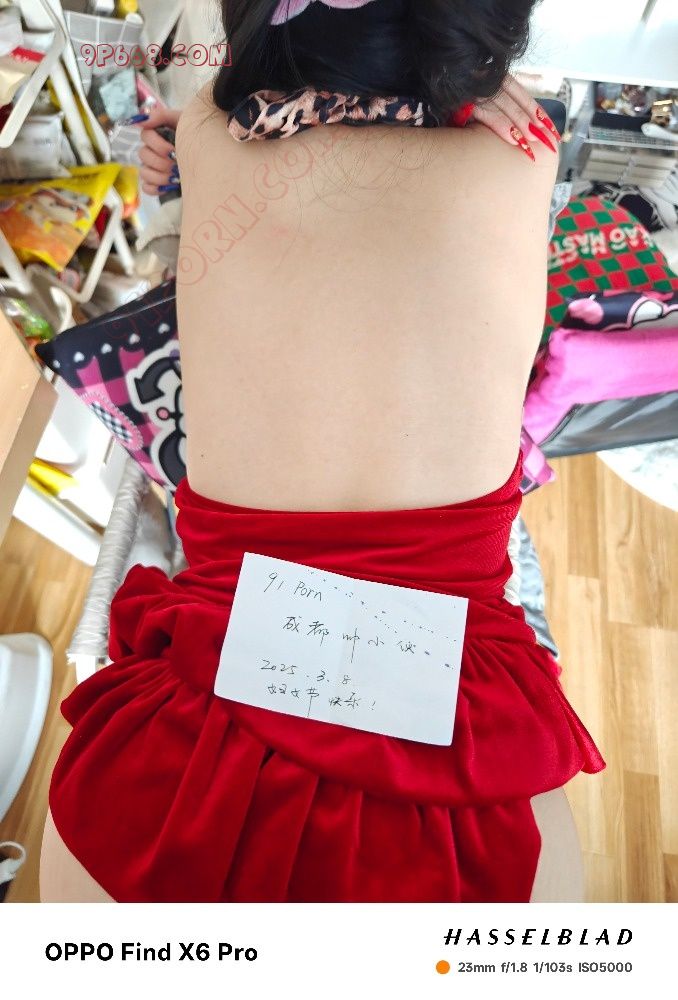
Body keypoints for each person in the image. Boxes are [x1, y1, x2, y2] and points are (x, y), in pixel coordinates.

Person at [41, 0, 604, 903]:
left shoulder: (211, 139)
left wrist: (188, 140)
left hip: (175, 763)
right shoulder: (522, 155)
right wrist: (482, 90)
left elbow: (236, 109)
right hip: (465, 744)